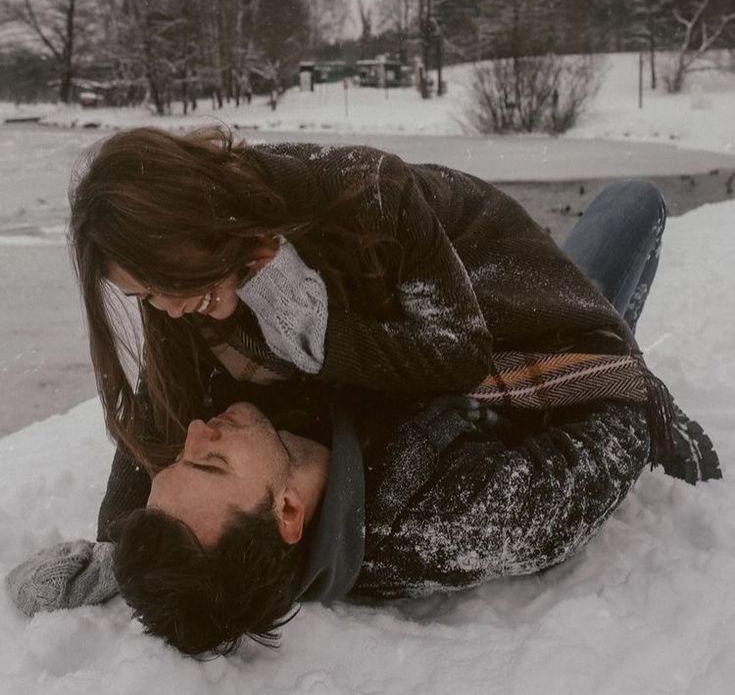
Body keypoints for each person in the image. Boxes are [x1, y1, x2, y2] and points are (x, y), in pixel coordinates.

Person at [6, 178, 721, 653]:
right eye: (209, 459)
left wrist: (117, 554)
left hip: (449, 283)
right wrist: (575, 337)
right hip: (542, 340)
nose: (196, 432)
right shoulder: (455, 516)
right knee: (631, 203)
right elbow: (616, 423)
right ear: (287, 510)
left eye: (183, 456)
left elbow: (160, 434)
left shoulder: (257, 470)